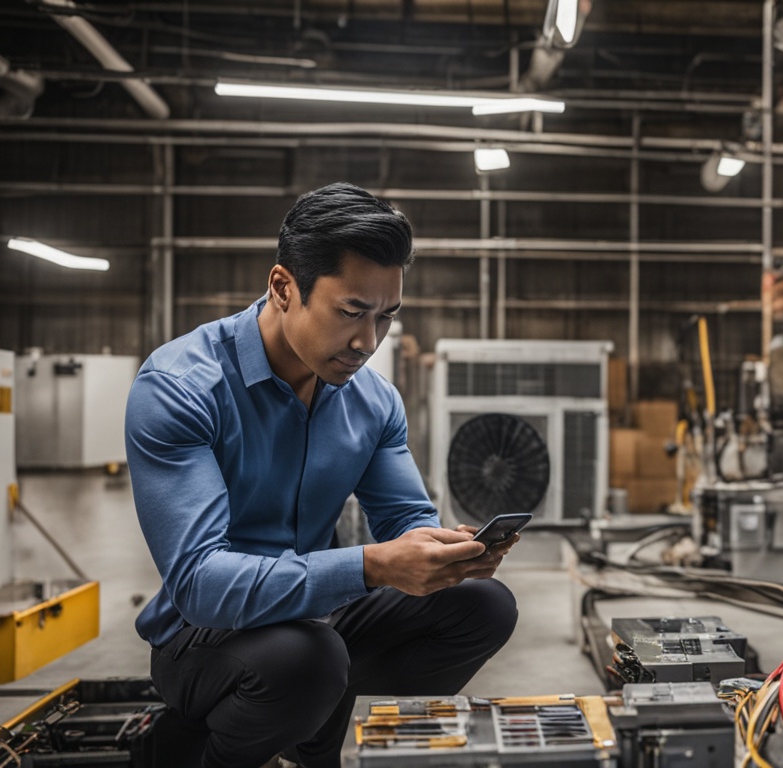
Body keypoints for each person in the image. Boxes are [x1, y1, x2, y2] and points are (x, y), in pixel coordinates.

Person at [125, 182, 518, 768]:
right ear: (284, 288)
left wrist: (445, 551)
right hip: (201, 637)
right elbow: (202, 584)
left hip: (317, 622)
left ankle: (318, 745)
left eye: (386, 316)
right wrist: (373, 565)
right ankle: (200, 751)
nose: (367, 342)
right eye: (351, 313)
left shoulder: (373, 401)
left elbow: (406, 518)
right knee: (303, 659)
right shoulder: (181, 389)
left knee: (482, 604)